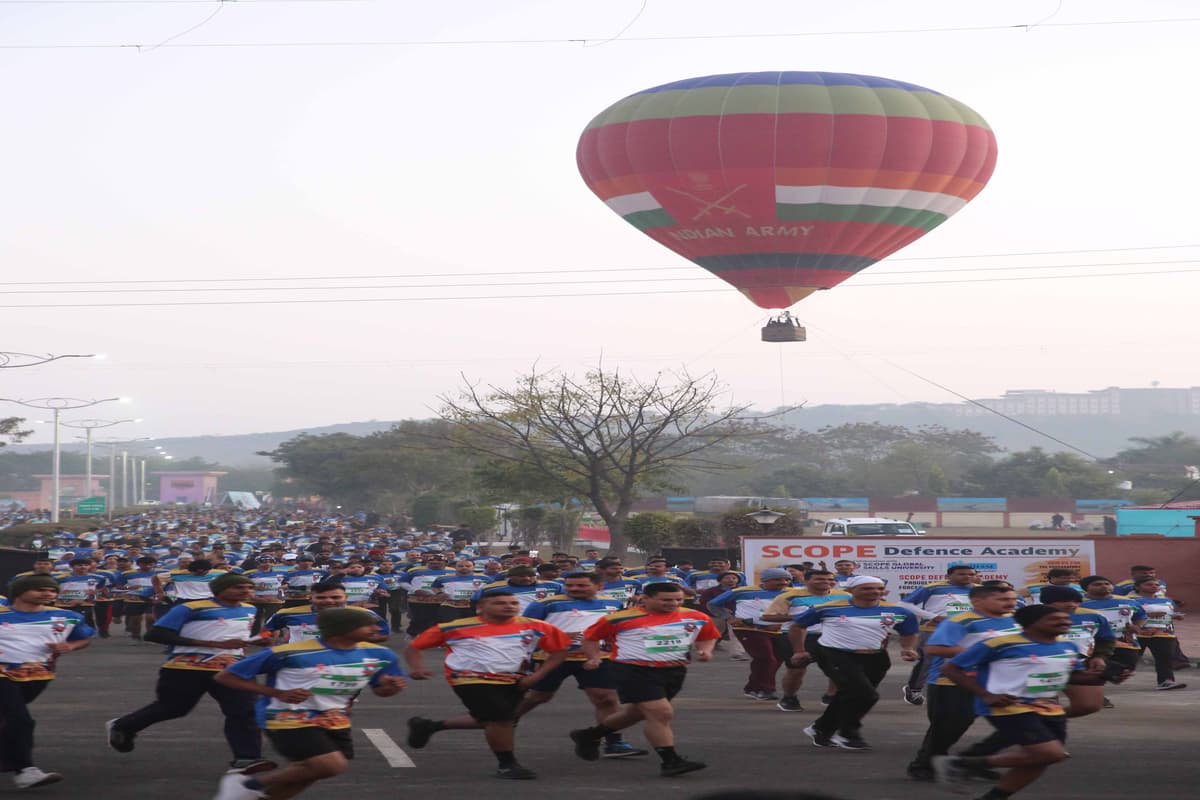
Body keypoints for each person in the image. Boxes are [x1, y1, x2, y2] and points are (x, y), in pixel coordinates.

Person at [209, 607, 408, 800]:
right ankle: (249, 785)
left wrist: (392, 687)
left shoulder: (381, 655)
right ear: (342, 628)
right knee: (330, 766)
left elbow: (382, 691)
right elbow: (226, 676)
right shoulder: (289, 653)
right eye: (367, 626)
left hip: (335, 720)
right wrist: (277, 693)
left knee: (307, 775)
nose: (376, 629)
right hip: (286, 717)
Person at [934, 604, 1119, 799]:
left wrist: (1104, 677)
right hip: (1008, 707)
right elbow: (951, 669)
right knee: (1052, 754)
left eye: (1066, 619)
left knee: (1038, 760)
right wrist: (986, 694)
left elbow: (1071, 677)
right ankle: (959, 764)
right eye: (1055, 619)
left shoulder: (1068, 645)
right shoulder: (999, 644)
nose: (1065, 622)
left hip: (1049, 708)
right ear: (1031, 623)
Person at [106, 573, 271, 772]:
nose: (246, 591)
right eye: (238, 587)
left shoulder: (249, 608)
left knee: (244, 711)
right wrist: (214, 644)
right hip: (186, 668)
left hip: (232, 669)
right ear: (219, 589)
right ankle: (124, 726)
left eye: (249, 587)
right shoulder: (191, 608)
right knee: (174, 708)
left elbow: (232, 636)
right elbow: (156, 634)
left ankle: (247, 758)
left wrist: (256, 641)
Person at [404, 589, 570, 779]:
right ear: (480, 607)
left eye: (513, 603)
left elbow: (560, 651)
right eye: (500, 603)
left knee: (493, 719)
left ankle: (430, 726)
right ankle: (507, 764)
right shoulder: (454, 627)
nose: (508, 606)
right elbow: (415, 647)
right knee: (501, 719)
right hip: (469, 679)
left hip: (514, 680)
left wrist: (537, 676)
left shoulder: (537, 627)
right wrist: (417, 668)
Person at [568, 582, 720, 777]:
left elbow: (709, 635)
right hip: (632, 669)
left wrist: (705, 651)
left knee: (636, 713)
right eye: (666, 600)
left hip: (673, 670)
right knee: (661, 713)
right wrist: (594, 657)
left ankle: (589, 735)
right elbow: (590, 637)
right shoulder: (619, 618)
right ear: (645, 598)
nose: (673, 603)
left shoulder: (695, 616)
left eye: (678, 599)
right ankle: (670, 761)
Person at [518, 572, 644, 758]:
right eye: (570, 585)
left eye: (581, 586)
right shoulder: (546, 604)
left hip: (596, 657)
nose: (574, 589)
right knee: (538, 696)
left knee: (606, 698)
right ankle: (504, 721)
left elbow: (613, 628)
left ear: (599, 586)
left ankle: (614, 742)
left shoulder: (614, 604)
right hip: (552, 658)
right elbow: (525, 631)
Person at [789, 576, 919, 750]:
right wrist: (799, 650)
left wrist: (908, 648)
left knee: (850, 694)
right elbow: (797, 626)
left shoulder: (897, 610)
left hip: (876, 657)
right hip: (835, 654)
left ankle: (821, 729)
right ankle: (847, 734)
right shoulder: (827, 608)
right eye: (867, 588)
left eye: (879, 589)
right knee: (866, 695)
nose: (875, 592)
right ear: (850, 591)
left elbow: (908, 630)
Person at [906, 584, 1020, 781]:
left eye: (1012, 599)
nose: (1010, 603)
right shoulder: (960, 621)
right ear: (977, 601)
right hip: (953, 681)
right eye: (1003, 600)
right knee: (949, 728)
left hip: (998, 681)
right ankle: (924, 765)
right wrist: (984, 653)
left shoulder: (1013, 621)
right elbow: (934, 649)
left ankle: (971, 761)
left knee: (1018, 726)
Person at [0, 575, 95, 789]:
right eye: (39, 589)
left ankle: (12, 759)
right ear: (19, 592)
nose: (47, 594)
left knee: (9, 719)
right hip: (3, 674)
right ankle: (25, 770)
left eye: (51, 591)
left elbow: (84, 638)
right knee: (20, 719)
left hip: (38, 676)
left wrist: (71, 646)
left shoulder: (67, 616)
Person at [761, 568, 849, 710]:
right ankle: (789, 698)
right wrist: (801, 618)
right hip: (797, 637)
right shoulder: (790, 596)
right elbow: (767, 617)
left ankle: (831, 696)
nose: (826, 582)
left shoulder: (845, 596)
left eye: (830, 580)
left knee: (839, 669)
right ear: (806, 581)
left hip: (832, 637)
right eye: (820, 579)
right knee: (797, 670)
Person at [706, 568, 792, 700]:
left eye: (786, 579)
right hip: (749, 628)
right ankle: (766, 690)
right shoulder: (742, 591)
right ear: (765, 580)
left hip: (778, 629)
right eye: (778, 579)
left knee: (775, 660)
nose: (783, 582)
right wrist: (729, 617)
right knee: (767, 658)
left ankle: (753, 687)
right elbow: (713, 604)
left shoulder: (792, 593)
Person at [901, 564, 979, 706]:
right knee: (928, 660)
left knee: (965, 659)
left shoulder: (978, 590)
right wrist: (933, 616)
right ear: (948, 576)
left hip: (965, 630)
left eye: (971, 574)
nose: (967, 577)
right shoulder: (932, 588)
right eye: (962, 574)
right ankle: (914, 689)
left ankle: (961, 689)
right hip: (934, 629)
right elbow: (904, 604)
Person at [1079, 575, 1147, 703]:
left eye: (1107, 583)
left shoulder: (1128, 601)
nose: (1104, 586)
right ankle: (1096, 696)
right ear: (1086, 588)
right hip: (1097, 644)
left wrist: (1136, 626)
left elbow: (1141, 615)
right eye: (1097, 584)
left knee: (1124, 669)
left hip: (1126, 642)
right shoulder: (1080, 605)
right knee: (1098, 668)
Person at [264, 581, 390, 644]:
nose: (328, 601)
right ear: (310, 598)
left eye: (335, 598)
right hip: (298, 664)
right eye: (321, 598)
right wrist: (268, 642)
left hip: (342, 666)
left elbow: (383, 635)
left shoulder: (365, 615)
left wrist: (355, 639)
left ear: (345, 598)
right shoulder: (286, 613)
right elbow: (266, 632)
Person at [1128, 577, 1187, 690]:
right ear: (1137, 587)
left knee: (1164, 658)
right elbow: (1126, 617)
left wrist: (1175, 616)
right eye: (1149, 584)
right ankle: (1103, 676)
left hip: (1164, 633)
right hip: (1140, 633)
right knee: (1130, 658)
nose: (1154, 586)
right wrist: (1149, 616)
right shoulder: (1131, 601)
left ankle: (1166, 681)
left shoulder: (1167, 600)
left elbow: (1169, 614)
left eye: (1156, 585)